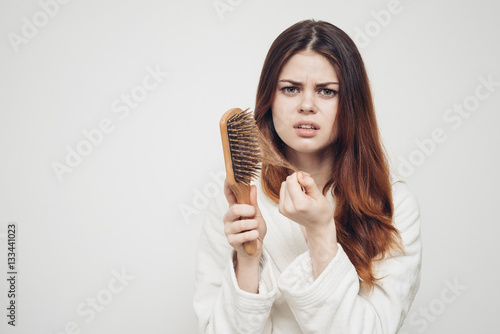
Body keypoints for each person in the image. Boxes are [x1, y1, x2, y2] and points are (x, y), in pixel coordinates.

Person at [193, 19, 422, 334]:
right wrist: (248, 259)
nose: (307, 106)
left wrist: (321, 232)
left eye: (327, 91)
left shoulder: (394, 205)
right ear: (269, 99)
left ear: (351, 104)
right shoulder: (238, 204)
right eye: (290, 89)